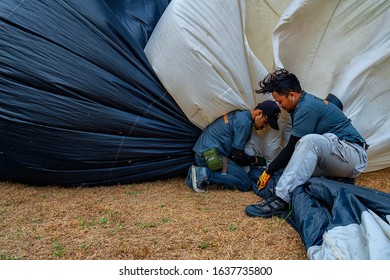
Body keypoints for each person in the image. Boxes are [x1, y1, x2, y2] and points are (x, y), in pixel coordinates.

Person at [246, 69, 368, 218]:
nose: (280, 105)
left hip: (353, 155)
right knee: (293, 170)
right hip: (338, 159)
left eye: (280, 101)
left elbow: (292, 146)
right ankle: (339, 181)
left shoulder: (306, 107)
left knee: (310, 141)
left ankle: (280, 200)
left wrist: (269, 170)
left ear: (291, 95)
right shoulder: (301, 104)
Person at [187, 100, 281, 192]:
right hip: (210, 156)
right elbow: (237, 156)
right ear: (259, 113)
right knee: (245, 183)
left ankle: (202, 172)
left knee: (237, 174)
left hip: (203, 152)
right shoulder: (244, 124)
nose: (264, 126)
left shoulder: (241, 114)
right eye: (265, 122)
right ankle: (204, 174)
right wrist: (257, 160)